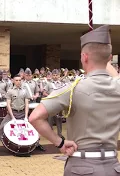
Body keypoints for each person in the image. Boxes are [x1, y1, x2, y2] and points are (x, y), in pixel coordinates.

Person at [29, 25, 120, 176]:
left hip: (81, 168)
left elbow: (35, 117)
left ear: (84, 57)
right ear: (110, 59)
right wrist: (104, 55)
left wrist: (61, 143)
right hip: (113, 168)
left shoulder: (72, 88)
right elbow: (114, 74)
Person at [0, 74, 30, 156]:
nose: (18, 82)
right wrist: (13, 117)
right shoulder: (10, 91)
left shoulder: (25, 91)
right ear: (13, 81)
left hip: (22, 113)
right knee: (1, 128)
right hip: (12, 113)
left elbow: (27, 104)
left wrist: (26, 116)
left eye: (20, 80)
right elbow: (8, 104)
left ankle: (36, 144)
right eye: (16, 80)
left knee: (31, 128)